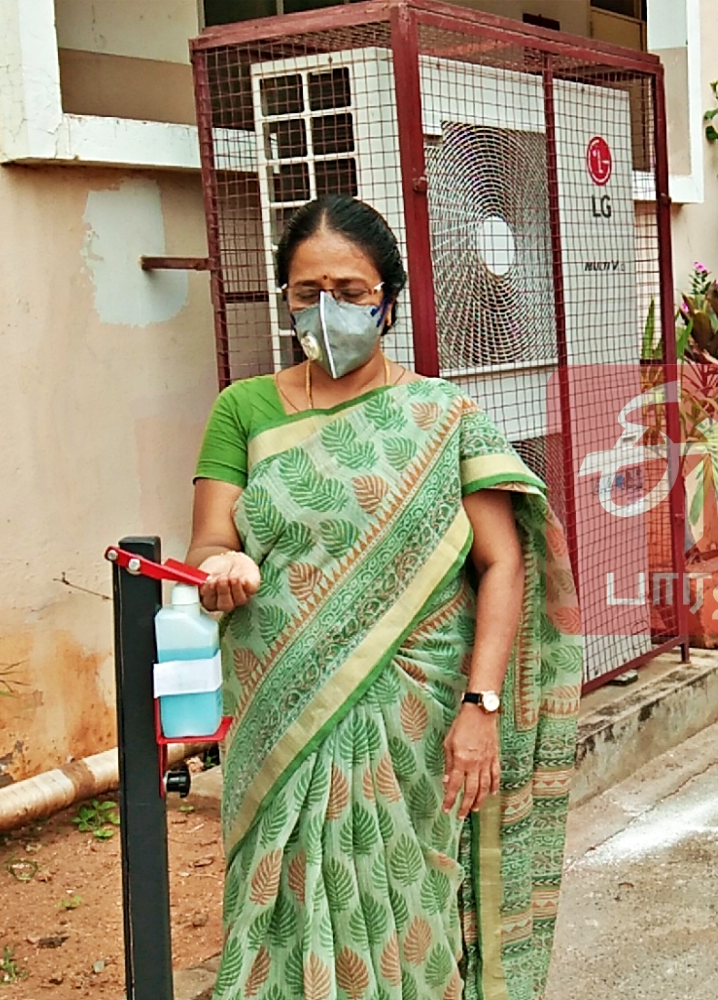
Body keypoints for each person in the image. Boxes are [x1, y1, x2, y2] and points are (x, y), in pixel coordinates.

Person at [187, 195, 581, 1000]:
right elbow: (207, 542)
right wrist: (221, 570)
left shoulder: (444, 416)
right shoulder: (244, 410)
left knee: (409, 901)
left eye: (351, 290)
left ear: (389, 301)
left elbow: (502, 562)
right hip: (282, 710)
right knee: (282, 912)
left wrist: (482, 704)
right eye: (306, 292)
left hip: (418, 718)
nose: (327, 310)